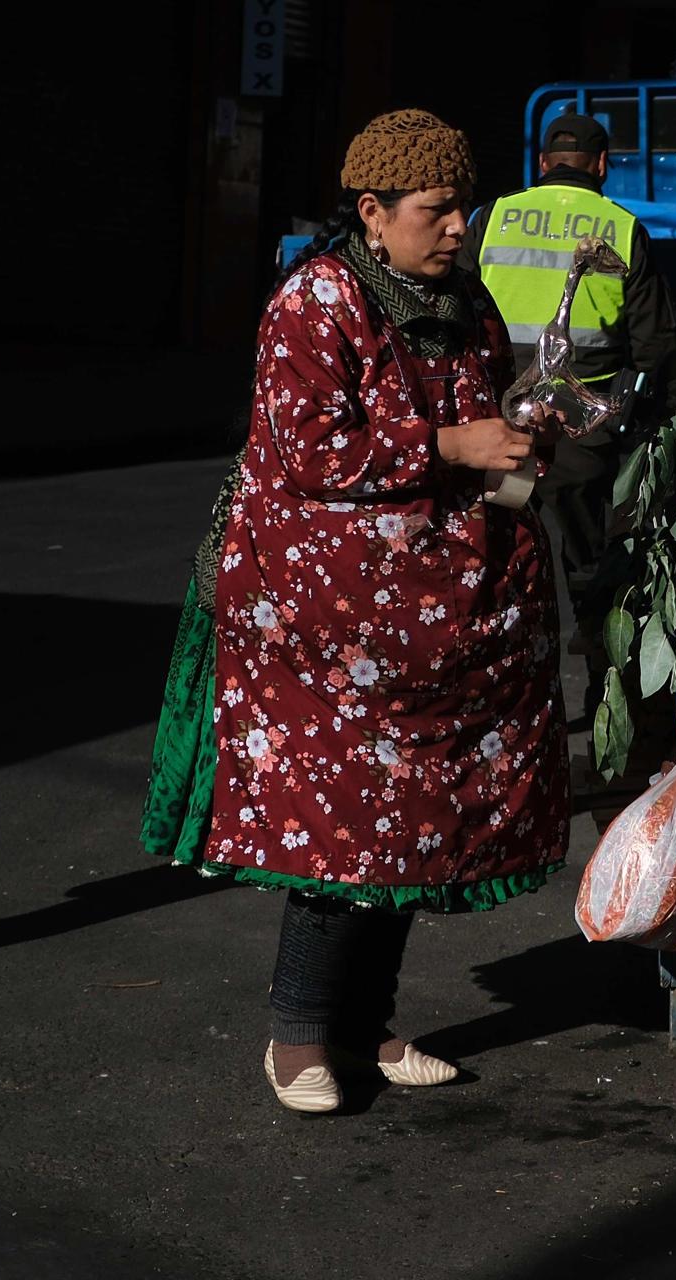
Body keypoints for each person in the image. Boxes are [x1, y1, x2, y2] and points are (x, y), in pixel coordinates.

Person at [149, 109, 570, 1115]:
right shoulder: (315, 302)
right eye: (439, 208)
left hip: (443, 620)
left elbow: (482, 409)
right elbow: (312, 452)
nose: (461, 225)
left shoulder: (466, 300)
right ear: (373, 214)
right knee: (345, 830)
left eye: (465, 204)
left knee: (414, 824)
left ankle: (366, 1023)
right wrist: (456, 446)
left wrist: (516, 434)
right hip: (326, 623)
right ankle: (298, 1033)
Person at [460, 111, 676, 589]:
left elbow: (455, 307)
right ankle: (594, 644)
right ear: (601, 165)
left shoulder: (492, 216)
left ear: (542, 163)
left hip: (496, 414)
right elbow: (653, 342)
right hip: (581, 423)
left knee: (493, 546)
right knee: (589, 564)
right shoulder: (622, 226)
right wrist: (631, 413)